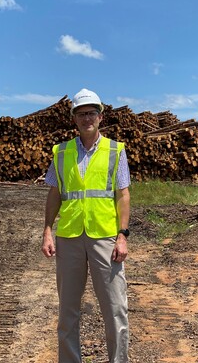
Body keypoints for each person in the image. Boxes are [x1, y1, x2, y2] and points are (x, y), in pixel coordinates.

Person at [41, 88, 131, 363]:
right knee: (68, 310)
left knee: (115, 308)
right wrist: (47, 230)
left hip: (105, 236)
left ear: (100, 117)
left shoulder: (116, 150)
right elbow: (55, 193)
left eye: (91, 112)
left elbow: (123, 194)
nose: (86, 118)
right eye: (81, 114)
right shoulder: (61, 151)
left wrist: (123, 235)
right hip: (68, 236)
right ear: (74, 119)